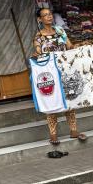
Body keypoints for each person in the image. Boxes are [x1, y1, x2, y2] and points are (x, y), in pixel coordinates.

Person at [33, 8, 87, 145]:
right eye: (45, 15)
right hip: (50, 73)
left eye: (50, 14)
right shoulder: (39, 36)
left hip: (64, 71)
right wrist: (37, 54)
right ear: (40, 19)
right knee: (51, 103)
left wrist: (80, 45)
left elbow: (70, 46)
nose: (49, 17)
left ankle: (73, 130)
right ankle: (53, 134)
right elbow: (38, 51)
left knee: (69, 100)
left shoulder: (60, 31)